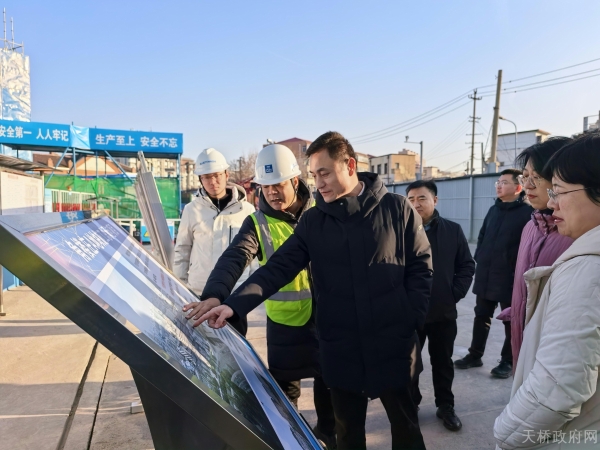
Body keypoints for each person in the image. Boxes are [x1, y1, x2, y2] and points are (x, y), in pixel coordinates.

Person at [197, 131, 433, 450]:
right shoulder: (314, 222)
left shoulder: (396, 208)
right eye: (314, 175)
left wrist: (410, 320)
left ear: (350, 166)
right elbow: (277, 269)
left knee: (406, 428)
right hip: (340, 349)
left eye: (325, 173)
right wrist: (232, 304)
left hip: (393, 344)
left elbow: (421, 266)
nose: (318, 183)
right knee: (347, 434)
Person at [182, 144, 337, 448]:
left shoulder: (321, 213)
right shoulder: (257, 223)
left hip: (328, 321)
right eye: (266, 187)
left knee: (329, 390)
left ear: (295, 181)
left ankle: (328, 437)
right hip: (285, 325)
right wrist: (214, 294)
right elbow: (234, 257)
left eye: (278, 184)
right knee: (284, 399)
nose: (272, 193)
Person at [494, 131, 600, 449]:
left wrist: (503, 435)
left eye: (558, 190)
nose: (552, 201)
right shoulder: (533, 226)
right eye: (524, 176)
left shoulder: (585, 264)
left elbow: (556, 389)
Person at [499, 138, 573, 370]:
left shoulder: (576, 233)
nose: (528, 186)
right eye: (525, 176)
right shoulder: (531, 226)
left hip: (555, 355)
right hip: (521, 339)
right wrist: (517, 310)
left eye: (537, 177)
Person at [407, 180, 475, 432]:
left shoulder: (452, 230)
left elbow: (466, 265)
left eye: (422, 198)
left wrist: (453, 293)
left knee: (443, 362)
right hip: (410, 313)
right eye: (411, 199)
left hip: (442, 312)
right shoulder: (399, 231)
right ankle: (410, 405)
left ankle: (445, 405)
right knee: (409, 364)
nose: (416, 204)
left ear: (435, 200)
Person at [454, 169, 532, 378]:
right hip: (486, 274)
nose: (498, 185)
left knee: (511, 320)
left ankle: (508, 361)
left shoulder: (527, 213)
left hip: (510, 278)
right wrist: (480, 256)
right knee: (481, 316)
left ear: (518, 187)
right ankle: (475, 355)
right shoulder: (493, 209)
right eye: (498, 182)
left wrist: (516, 269)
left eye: (504, 182)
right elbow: (481, 236)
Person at [173, 148, 257, 296]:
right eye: (206, 177)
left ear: (226, 174)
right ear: (200, 179)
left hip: (236, 291)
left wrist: (250, 289)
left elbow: (254, 254)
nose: (212, 182)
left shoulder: (246, 210)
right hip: (200, 290)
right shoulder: (191, 210)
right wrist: (181, 287)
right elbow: (182, 250)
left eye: (217, 175)